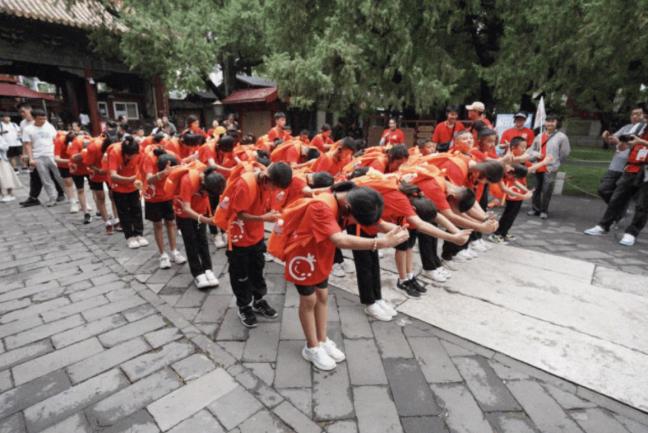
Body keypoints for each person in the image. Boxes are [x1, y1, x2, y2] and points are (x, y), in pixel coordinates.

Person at [269, 182, 409, 370]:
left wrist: (399, 231)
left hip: (322, 253)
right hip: (303, 256)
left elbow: (378, 223)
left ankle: (322, 339)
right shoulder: (321, 206)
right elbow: (339, 239)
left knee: (322, 296)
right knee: (309, 300)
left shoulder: (351, 199)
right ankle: (311, 347)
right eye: (355, 221)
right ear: (349, 209)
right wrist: (381, 243)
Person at [214, 162, 293, 328]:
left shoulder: (267, 184)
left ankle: (258, 300)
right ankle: (243, 306)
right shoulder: (245, 185)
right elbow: (239, 214)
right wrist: (263, 218)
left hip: (256, 235)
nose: (274, 191)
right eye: (274, 187)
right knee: (240, 273)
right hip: (240, 236)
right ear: (266, 178)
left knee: (257, 269)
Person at [584, 131, 648, 246]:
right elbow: (631, 145)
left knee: (642, 204)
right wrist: (624, 144)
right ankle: (603, 225)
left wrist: (641, 141)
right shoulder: (641, 128)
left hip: (646, 170)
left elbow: (640, 143)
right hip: (631, 167)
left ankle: (632, 233)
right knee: (617, 198)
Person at [171, 164, 225, 287]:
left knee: (202, 240)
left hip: (200, 209)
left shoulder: (213, 180)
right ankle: (197, 273)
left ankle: (208, 269)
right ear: (203, 185)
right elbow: (186, 208)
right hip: (184, 213)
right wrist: (205, 220)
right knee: (190, 241)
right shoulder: (188, 180)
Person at [140, 147, 187, 269]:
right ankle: (163, 255)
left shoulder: (172, 156)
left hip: (168, 194)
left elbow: (183, 166)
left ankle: (174, 251)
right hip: (153, 196)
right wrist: (164, 173)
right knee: (158, 224)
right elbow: (149, 179)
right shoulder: (149, 159)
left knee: (171, 222)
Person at [18, 104, 64, 207]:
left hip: (52, 155)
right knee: (45, 179)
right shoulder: (27, 128)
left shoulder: (49, 126)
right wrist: (30, 158)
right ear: (34, 118)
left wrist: (59, 154)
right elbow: (27, 144)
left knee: (60, 176)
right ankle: (52, 198)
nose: (43, 121)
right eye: (40, 119)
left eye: (44, 118)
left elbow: (56, 139)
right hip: (38, 157)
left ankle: (71, 196)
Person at [597, 106, 645, 204]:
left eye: (638, 114)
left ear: (644, 116)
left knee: (624, 194)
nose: (634, 116)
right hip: (615, 167)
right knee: (603, 189)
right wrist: (607, 137)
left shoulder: (644, 131)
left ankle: (618, 209)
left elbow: (639, 147)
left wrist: (619, 141)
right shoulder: (626, 127)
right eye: (632, 114)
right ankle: (618, 208)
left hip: (630, 169)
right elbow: (613, 140)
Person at [527, 114, 571, 219]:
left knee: (547, 190)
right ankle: (535, 209)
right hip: (537, 166)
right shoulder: (539, 136)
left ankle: (544, 210)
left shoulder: (561, 137)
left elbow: (565, 153)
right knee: (536, 189)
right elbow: (531, 150)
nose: (550, 123)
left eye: (552, 121)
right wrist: (536, 155)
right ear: (545, 123)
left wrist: (556, 163)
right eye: (548, 121)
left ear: (556, 123)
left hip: (550, 168)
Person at [107, 135, 147, 248]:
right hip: (119, 186)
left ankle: (139, 234)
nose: (134, 157)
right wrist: (129, 179)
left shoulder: (139, 151)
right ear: (125, 153)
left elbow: (142, 168)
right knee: (124, 212)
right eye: (131, 155)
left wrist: (140, 181)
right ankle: (129, 237)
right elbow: (113, 175)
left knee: (137, 209)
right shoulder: (114, 152)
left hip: (133, 185)